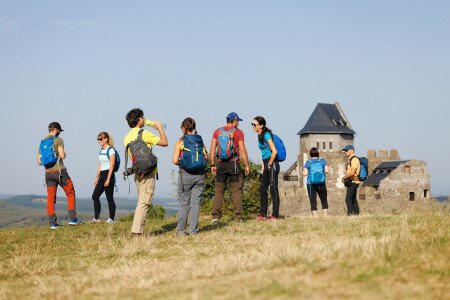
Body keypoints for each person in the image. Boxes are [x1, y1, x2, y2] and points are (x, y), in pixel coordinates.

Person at [124, 108, 168, 236]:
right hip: (148, 173)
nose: (144, 119)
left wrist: (148, 122)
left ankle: (137, 230)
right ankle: (137, 232)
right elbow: (165, 143)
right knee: (145, 202)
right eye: (142, 117)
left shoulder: (127, 137)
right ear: (139, 120)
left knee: (141, 201)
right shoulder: (144, 134)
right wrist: (160, 128)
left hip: (137, 172)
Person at [37, 122, 82, 229]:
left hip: (48, 174)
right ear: (56, 130)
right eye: (59, 131)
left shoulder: (42, 142)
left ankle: (53, 223)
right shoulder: (58, 140)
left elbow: (39, 161)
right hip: (60, 172)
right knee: (70, 193)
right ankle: (72, 219)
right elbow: (62, 155)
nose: (59, 133)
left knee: (51, 198)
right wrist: (64, 154)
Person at [210, 112, 250, 224]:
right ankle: (238, 217)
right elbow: (242, 150)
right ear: (235, 121)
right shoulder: (238, 132)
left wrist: (212, 165)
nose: (238, 123)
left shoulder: (217, 131)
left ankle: (215, 217)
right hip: (234, 164)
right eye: (238, 121)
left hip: (221, 164)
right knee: (236, 190)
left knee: (219, 190)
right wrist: (246, 165)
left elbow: (212, 150)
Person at [172, 118, 207, 235]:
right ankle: (193, 230)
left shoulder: (181, 142)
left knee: (184, 203)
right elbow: (205, 157)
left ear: (183, 128)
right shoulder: (200, 141)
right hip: (200, 175)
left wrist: (182, 163)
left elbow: (174, 160)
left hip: (185, 174)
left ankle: (181, 231)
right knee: (195, 203)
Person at [252, 116, 280, 220]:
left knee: (273, 189)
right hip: (266, 163)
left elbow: (274, 151)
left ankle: (275, 215)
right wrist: (263, 166)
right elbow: (264, 153)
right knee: (262, 189)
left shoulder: (267, 135)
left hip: (272, 164)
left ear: (261, 125)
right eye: (252, 124)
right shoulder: (259, 136)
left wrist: (269, 164)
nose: (253, 126)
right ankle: (263, 215)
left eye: (254, 125)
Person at [91, 132, 117, 223]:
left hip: (108, 175)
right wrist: (96, 178)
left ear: (106, 139)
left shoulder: (111, 150)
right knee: (95, 196)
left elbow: (112, 165)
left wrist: (108, 179)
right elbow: (100, 165)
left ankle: (111, 219)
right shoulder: (101, 150)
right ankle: (97, 218)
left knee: (109, 198)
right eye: (98, 139)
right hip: (102, 175)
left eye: (101, 139)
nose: (99, 141)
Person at [303, 147, 329, 217]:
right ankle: (325, 215)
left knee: (313, 200)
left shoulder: (308, 162)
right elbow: (327, 171)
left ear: (310, 154)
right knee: (324, 199)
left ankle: (315, 216)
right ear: (318, 153)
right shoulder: (322, 161)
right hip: (321, 183)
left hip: (310, 184)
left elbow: (305, 173)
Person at [341, 145, 361, 216]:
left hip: (354, 182)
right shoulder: (351, 160)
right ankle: (356, 214)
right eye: (345, 151)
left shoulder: (354, 159)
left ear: (351, 150)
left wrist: (344, 177)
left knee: (348, 199)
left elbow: (352, 173)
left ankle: (350, 215)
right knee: (353, 199)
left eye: (347, 150)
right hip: (351, 182)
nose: (345, 152)